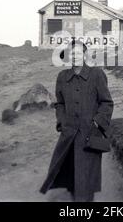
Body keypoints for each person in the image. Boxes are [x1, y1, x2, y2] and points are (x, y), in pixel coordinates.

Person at [39, 40, 114, 202]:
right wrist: (62, 123)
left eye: (78, 53)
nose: (75, 56)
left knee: (87, 178)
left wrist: (97, 123)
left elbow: (107, 103)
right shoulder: (62, 77)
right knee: (71, 173)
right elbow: (60, 104)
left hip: (90, 134)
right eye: (72, 53)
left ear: (85, 55)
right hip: (69, 135)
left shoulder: (97, 75)